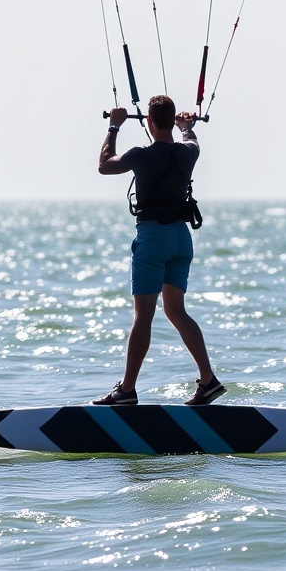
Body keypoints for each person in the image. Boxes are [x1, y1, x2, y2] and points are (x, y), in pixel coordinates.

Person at [93, 94, 224, 406]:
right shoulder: (189, 151)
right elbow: (191, 137)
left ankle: (126, 390)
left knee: (143, 316)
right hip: (181, 238)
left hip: (153, 239)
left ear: (149, 122)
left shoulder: (140, 154)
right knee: (176, 311)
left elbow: (104, 166)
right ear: (171, 120)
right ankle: (208, 381)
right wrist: (186, 126)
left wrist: (114, 126)